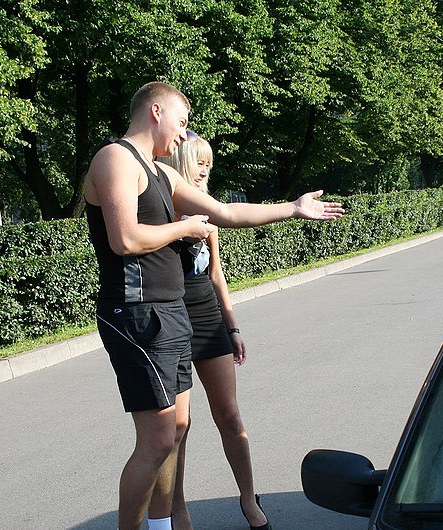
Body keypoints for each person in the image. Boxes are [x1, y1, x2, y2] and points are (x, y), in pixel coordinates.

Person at [84, 81, 343, 530]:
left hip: (171, 312)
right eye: (182, 121)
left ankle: (163, 525)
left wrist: (293, 208)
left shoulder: (161, 173)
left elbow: (227, 213)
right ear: (156, 111)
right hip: (138, 312)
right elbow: (124, 239)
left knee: (173, 432)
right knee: (157, 439)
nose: (183, 134)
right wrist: (183, 230)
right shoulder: (115, 159)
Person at [157, 136, 268, 530]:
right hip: (171, 313)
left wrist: (232, 325)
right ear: (181, 162)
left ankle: (248, 498)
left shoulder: (208, 210)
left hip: (206, 313)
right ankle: (178, 509)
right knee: (178, 426)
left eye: (209, 162)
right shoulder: (160, 208)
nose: (205, 169)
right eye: (199, 161)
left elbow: (216, 274)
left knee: (230, 413)